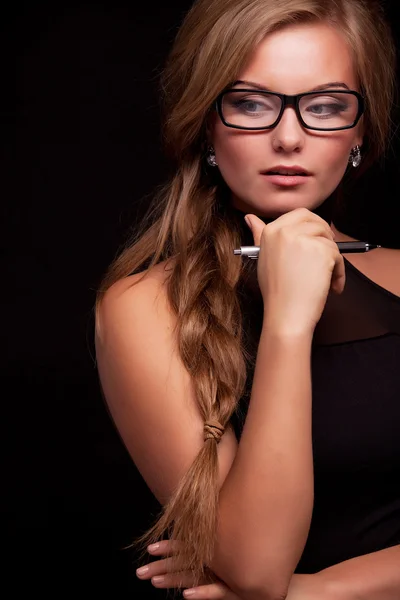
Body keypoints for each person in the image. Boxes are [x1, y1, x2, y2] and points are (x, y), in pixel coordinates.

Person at [94, 0, 400, 598]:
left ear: (360, 129)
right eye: (251, 104)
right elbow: (257, 566)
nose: (289, 138)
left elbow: (265, 591)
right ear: (207, 122)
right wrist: (288, 320)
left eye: (326, 106)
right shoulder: (145, 306)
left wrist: (317, 593)